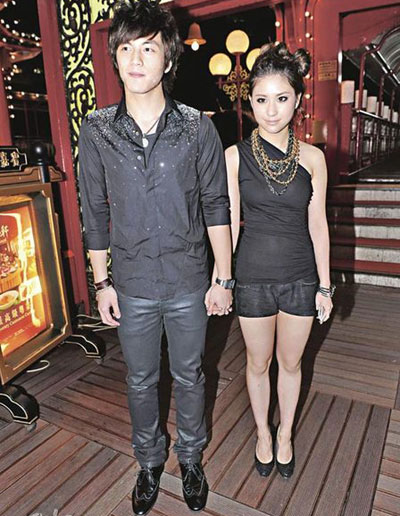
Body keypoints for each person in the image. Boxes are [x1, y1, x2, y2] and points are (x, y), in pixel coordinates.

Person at [78, 1, 234, 513]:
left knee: (190, 375)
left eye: (148, 48)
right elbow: (94, 211)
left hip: (189, 279)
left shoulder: (196, 127)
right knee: (140, 380)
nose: (136, 59)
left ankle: (190, 458)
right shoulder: (97, 130)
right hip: (132, 283)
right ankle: (148, 461)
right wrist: (102, 283)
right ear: (115, 58)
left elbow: (216, 204)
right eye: (126, 48)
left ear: (168, 59)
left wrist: (223, 279)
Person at [225, 43, 333, 480]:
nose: (271, 111)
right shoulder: (234, 157)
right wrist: (222, 280)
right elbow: (230, 225)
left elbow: (318, 225)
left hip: (300, 278)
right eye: (261, 99)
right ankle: (262, 434)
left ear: (298, 100)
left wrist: (325, 285)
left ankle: (285, 434)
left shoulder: (314, 158)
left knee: (290, 364)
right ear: (250, 101)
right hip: (252, 278)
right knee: (257, 364)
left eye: (282, 98)